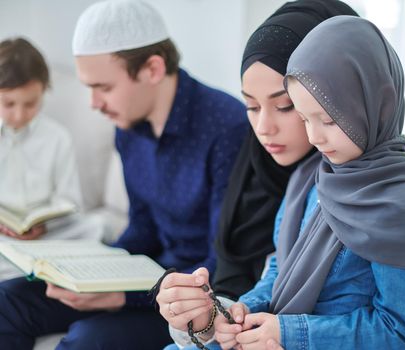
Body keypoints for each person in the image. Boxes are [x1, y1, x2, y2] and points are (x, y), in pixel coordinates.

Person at [156, 2, 405, 350]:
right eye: (251, 107)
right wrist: (229, 315)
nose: (264, 129)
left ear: (371, 102)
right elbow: (276, 271)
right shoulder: (307, 177)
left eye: (286, 107)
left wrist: (289, 333)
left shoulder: (398, 199)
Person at [0, 1, 247, 349]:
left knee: (87, 341)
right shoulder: (128, 124)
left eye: (103, 87)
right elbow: (142, 230)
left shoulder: (228, 127)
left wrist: (121, 297)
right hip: (146, 280)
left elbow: (224, 264)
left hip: (190, 301)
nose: (93, 103)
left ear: (152, 69)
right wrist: (89, 274)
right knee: (8, 299)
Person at [0, 37, 106, 280]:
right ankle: (29, 267)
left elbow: (69, 201)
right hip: (3, 235)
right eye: (8, 103)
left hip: (46, 233)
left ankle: (32, 264)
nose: (19, 114)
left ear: (44, 92)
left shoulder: (57, 138)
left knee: (95, 226)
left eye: (30, 104)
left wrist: (44, 225)